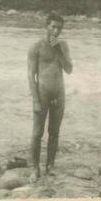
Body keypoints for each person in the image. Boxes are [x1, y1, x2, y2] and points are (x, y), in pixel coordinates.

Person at [27, 12, 73, 181]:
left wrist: (59, 49)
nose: (56, 31)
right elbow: (31, 75)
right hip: (42, 92)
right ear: (46, 26)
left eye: (59, 28)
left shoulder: (63, 45)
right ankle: (34, 168)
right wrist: (35, 100)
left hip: (59, 93)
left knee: (54, 132)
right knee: (37, 133)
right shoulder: (36, 46)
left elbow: (69, 70)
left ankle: (50, 166)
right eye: (53, 26)